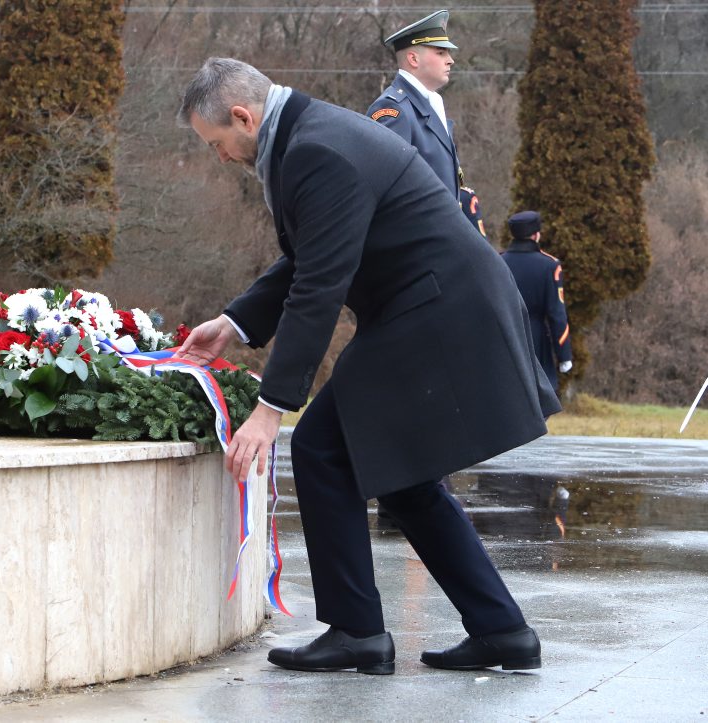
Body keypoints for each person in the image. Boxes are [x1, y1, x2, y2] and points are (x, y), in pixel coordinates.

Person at [175, 57, 560, 675]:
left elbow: (320, 285)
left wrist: (271, 409)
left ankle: (357, 633)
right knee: (403, 477)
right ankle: (501, 631)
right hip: (435, 306)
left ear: (243, 117)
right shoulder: (311, 134)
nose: (220, 157)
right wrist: (235, 323)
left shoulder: (315, 150)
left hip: (438, 309)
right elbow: (314, 255)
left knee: (325, 447)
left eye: (217, 143)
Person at [366, 9, 460, 201]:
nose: (450, 60)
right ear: (413, 59)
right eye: (441, 52)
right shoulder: (393, 111)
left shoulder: (430, 103)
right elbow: (388, 189)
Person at [501, 211, 573, 392]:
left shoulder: (499, 261)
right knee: (538, 397)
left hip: (504, 335)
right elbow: (556, 313)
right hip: (536, 337)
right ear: (536, 235)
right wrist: (564, 354)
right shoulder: (549, 265)